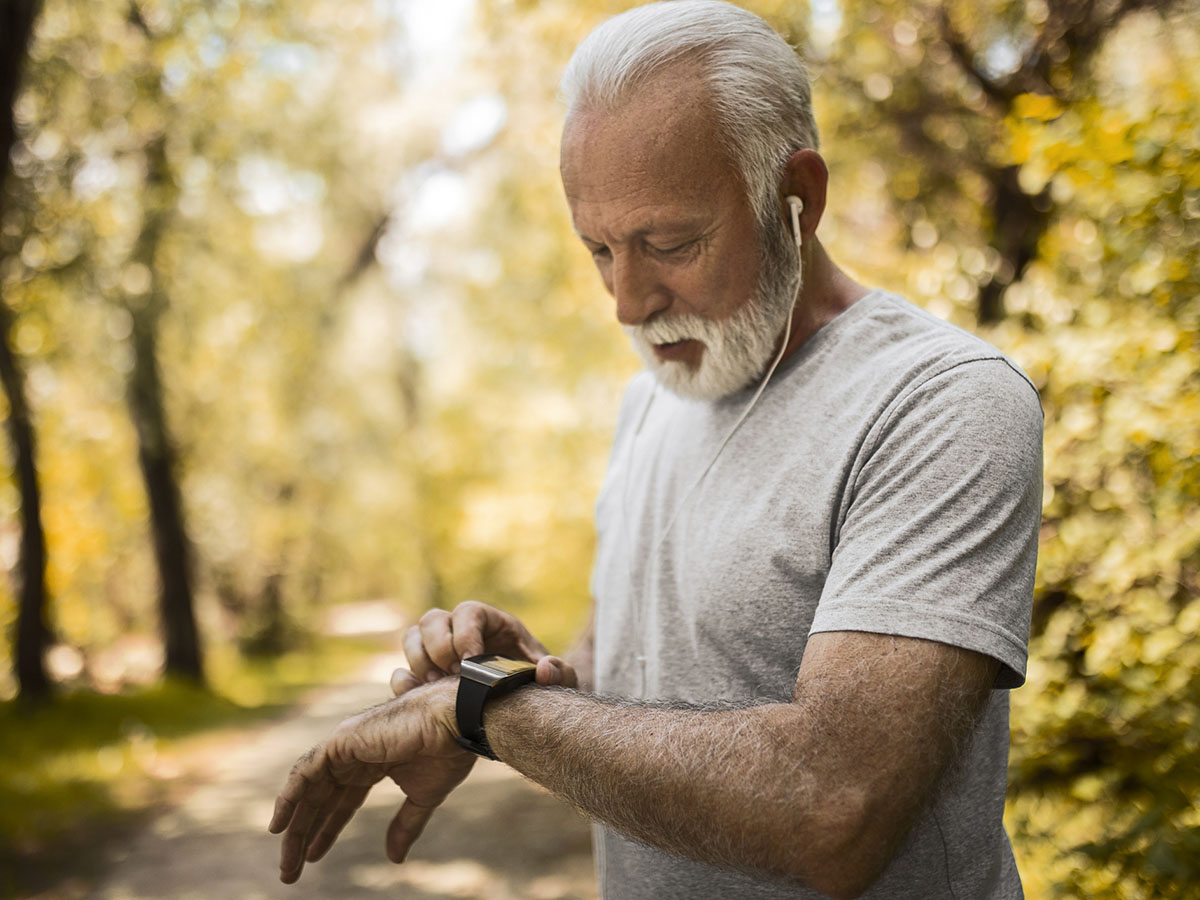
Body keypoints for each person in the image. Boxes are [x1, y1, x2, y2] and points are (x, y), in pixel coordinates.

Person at [268, 2, 1043, 897]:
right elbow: (640, 687)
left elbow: (833, 805)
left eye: (668, 244)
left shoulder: (940, 401)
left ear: (801, 197)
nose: (627, 303)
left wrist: (488, 715)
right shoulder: (654, 400)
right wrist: (522, 679)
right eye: (598, 249)